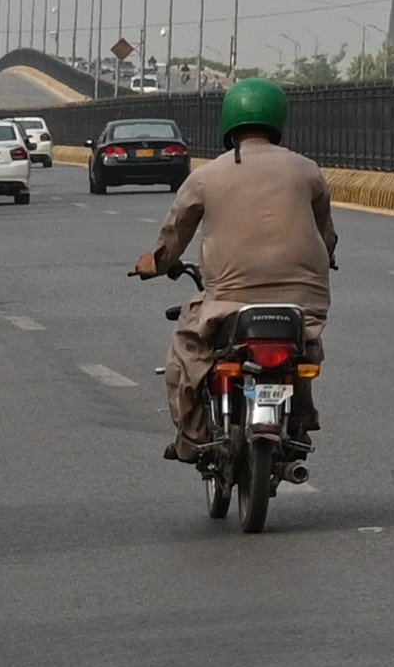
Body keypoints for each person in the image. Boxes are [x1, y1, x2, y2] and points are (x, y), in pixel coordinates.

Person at [136, 74, 335, 461]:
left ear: (229, 121)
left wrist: (154, 264)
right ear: (278, 120)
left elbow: (175, 236)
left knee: (186, 355)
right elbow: (326, 235)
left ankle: (192, 441)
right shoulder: (308, 171)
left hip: (230, 299)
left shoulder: (206, 177)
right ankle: (298, 421)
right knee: (305, 350)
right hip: (301, 300)